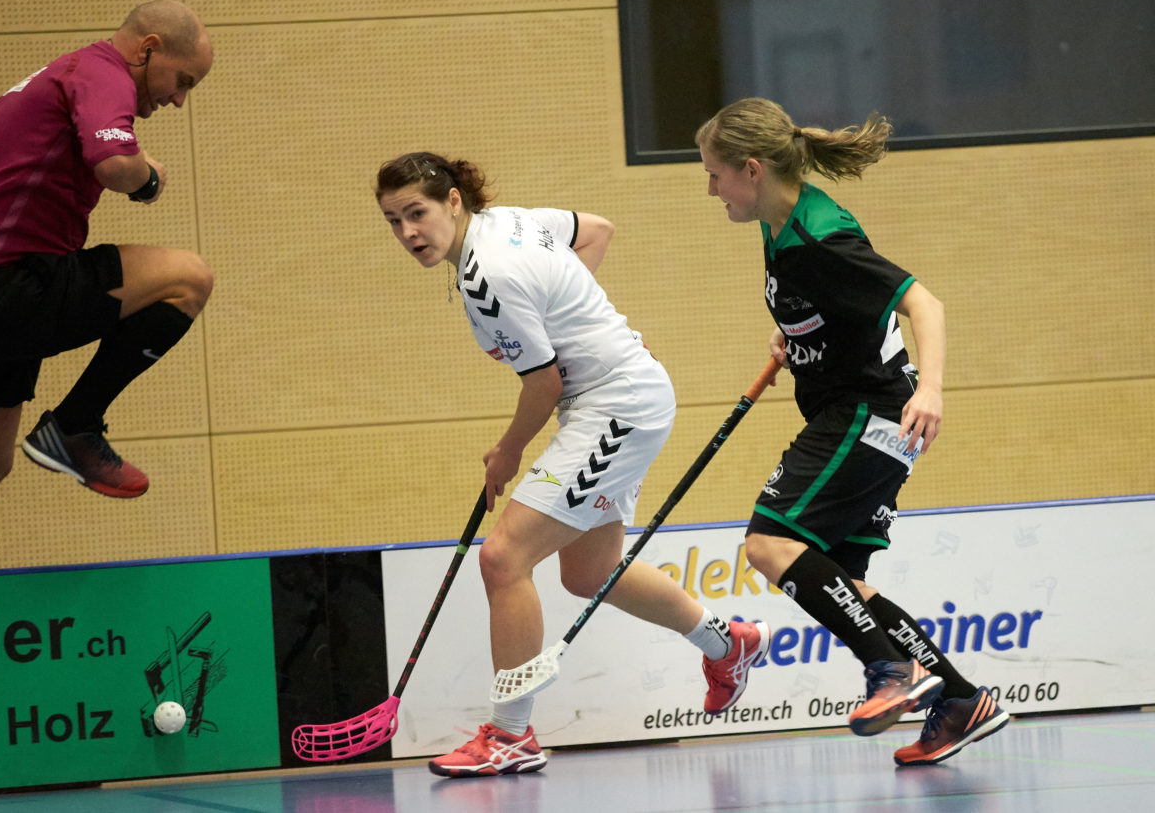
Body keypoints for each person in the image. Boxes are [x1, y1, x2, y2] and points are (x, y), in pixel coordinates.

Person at [376, 152, 770, 778]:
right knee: (591, 572)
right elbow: (595, 229)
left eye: (417, 213)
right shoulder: (511, 220)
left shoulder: (486, 275)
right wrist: (584, 318)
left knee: (503, 557)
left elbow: (545, 382)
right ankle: (728, 643)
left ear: (453, 200)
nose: (408, 234)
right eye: (394, 221)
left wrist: (508, 450)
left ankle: (510, 735)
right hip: (616, 397)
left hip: (614, 405)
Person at [695, 98, 1008, 766]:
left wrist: (932, 388)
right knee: (844, 583)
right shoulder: (779, 221)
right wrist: (800, 333)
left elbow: (923, 301)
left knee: (770, 541)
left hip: (870, 412)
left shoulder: (816, 238)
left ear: (752, 169)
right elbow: (836, 306)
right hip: (869, 414)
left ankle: (894, 673)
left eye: (715, 173)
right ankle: (958, 700)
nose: (710, 187)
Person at [0, 0, 216, 575]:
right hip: (5, 291)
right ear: (148, 48)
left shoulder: (48, 80)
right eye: (182, 80)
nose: (178, 99)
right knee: (189, 279)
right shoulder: (102, 72)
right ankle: (74, 426)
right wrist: (151, 179)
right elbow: (115, 164)